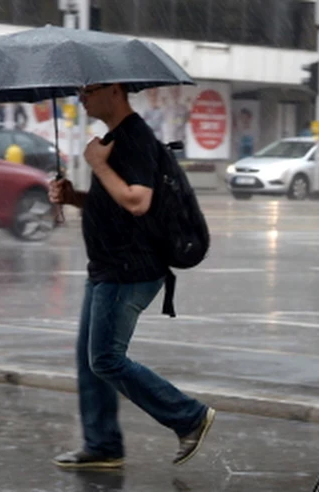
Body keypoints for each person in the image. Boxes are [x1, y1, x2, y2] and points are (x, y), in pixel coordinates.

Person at [47, 82, 214, 470]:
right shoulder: (116, 139)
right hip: (108, 267)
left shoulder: (134, 138)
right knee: (90, 360)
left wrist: (99, 165)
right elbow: (114, 201)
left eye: (89, 90)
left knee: (105, 359)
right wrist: (74, 197)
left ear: (116, 91)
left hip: (129, 269)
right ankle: (102, 444)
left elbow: (138, 202)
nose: (82, 97)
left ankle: (188, 416)